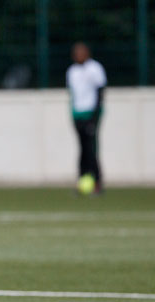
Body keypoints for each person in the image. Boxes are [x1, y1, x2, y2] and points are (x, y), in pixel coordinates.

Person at [66, 42, 107, 194]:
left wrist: (95, 116)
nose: (78, 55)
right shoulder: (71, 71)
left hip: (91, 114)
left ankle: (97, 183)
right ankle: (82, 182)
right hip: (78, 115)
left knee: (91, 149)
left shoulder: (95, 68)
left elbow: (100, 92)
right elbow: (73, 96)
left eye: (81, 52)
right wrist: (72, 115)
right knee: (82, 150)